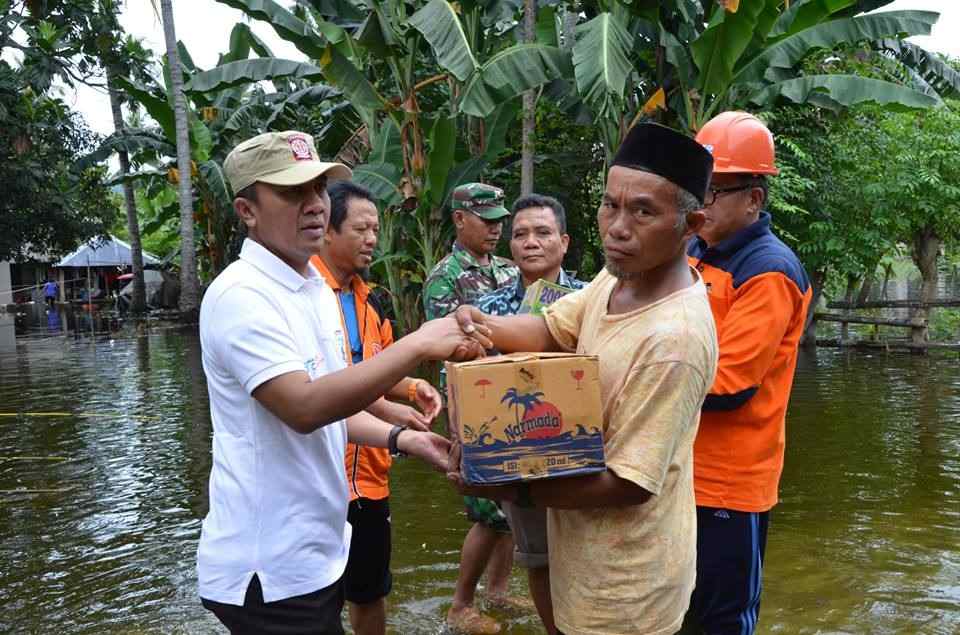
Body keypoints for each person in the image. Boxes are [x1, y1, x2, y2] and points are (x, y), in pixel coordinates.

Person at [196, 130, 478, 634]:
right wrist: (414, 346)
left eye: (319, 190)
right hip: (270, 567)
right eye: (291, 193)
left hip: (318, 550)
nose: (313, 206)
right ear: (247, 211)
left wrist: (405, 438)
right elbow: (303, 408)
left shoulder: (313, 289)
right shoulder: (241, 296)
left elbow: (335, 403)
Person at [450, 122, 720, 635]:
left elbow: (628, 482)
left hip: (626, 587)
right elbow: (552, 329)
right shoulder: (620, 275)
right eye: (610, 205)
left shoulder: (674, 340)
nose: (617, 227)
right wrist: (475, 324)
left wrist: (511, 487)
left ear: (692, 224)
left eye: (643, 210)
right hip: (581, 557)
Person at [683, 112, 812, 634]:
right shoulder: (693, 251)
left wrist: (629, 382)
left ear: (753, 199)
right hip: (677, 473)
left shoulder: (769, 270)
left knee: (722, 619)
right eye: (697, 190)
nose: (699, 205)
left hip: (729, 487)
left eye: (713, 192)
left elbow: (730, 386)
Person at [309, 181, 443, 635]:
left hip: (370, 476)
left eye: (376, 229)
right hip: (320, 479)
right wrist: (399, 426)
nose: (372, 239)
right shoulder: (303, 299)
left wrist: (410, 390)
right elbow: (322, 391)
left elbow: (370, 373)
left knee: (369, 591)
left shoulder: (370, 301)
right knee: (317, 600)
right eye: (362, 229)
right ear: (327, 230)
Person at [473, 194, 586, 635]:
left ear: (564, 241)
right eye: (520, 234)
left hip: (581, 451)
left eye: (542, 233)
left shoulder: (595, 299)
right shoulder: (489, 308)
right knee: (537, 555)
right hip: (518, 454)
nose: (530, 242)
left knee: (588, 549)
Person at [422, 182, 519, 635]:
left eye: (500, 219)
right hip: (471, 399)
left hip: (513, 395)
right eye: (487, 219)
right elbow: (450, 348)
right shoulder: (445, 276)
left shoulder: (509, 268)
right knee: (486, 508)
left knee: (515, 501)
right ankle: (460, 606)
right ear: (460, 219)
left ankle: (497, 591)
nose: (496, 228)